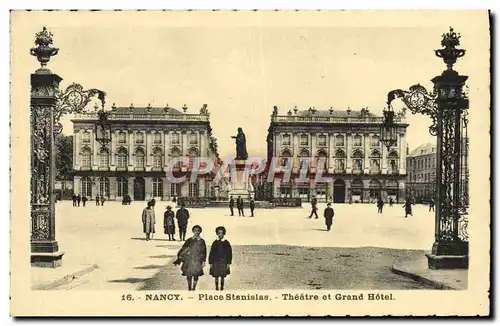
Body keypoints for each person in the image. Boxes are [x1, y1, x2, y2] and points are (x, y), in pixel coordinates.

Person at [173, 225, 207, 291]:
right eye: (195, 231)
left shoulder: (202, 241)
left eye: (198, 231)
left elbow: (204, 252)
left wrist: (203, 261)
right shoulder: (189, 240)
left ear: (200, 232)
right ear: (193, 231)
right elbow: (183, 249)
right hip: (189, 261)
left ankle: (194, 287)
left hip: (197, 260)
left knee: (196, 275)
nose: (196, 232)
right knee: (189, 275)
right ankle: (189, 288)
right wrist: (179, 257)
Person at [209, 226, 233, 291]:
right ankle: (216, 288)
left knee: (222, 276)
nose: (220, 234)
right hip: (216, 262)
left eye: (222, 233)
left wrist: (228, 263)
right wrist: (211, 262)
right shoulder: (215, 242)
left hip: (223, 261)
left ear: (224, 234)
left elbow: (229, 253)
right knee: (216, 275)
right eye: (219, 233)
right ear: (217, 234)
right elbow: (211, 253)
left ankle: (222, 288)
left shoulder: (226, 243)